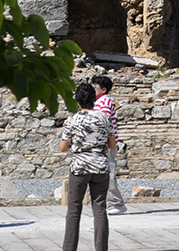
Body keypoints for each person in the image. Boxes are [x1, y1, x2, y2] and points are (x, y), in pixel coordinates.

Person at [61, 82, 115, 251]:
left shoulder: (73, 119)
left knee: (73, 211)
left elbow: (63, 148)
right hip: (100, 166)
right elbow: (112, 144)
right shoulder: (104, 118)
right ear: (94, 99)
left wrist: (77, 145)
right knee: (100, 210)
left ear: (77, 100)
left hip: (80, 167)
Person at [91, 75, 126, 215]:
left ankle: (116, 203)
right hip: (103, 143)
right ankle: (109, 203)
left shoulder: (104, 101)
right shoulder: (99, 101)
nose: (93, 89)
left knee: (108, 173)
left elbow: (103, 122)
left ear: (103, 89)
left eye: (95, 87)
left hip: (106, 143)